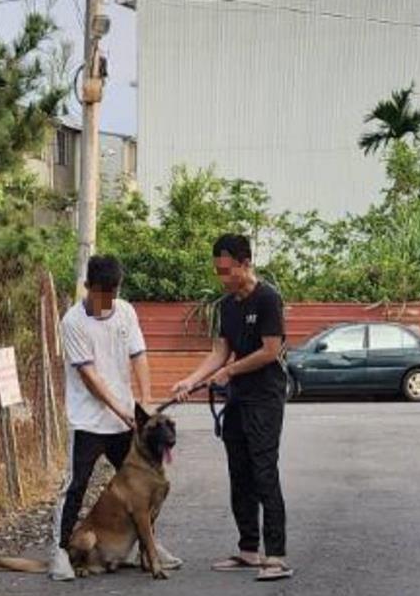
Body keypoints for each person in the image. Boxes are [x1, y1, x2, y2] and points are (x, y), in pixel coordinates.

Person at [49, 254, 182, 581]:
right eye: (102, 292)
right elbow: (90, 378)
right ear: (88, 287)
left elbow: (139, 356)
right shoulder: (73, 322)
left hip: (124, 422)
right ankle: (61, 552)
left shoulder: (125, 312)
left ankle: (145, 548)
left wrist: (146, 399)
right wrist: (121, 410)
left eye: (113, 291)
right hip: (88, 422)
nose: (108, 299)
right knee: (76, 486)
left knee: (146, 487)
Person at [172, 234, 293, 582]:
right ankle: (248, 551)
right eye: (217, 271)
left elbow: (271, 350)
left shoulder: (268, 298)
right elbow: (219, 352)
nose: (223, 277)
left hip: (265, 397)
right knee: (239, 472)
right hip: (238, 398)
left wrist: (229, 372)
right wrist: (190, 381)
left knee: (264, 471)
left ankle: (276, 555)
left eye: (227, 270)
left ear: (245, 263)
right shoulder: (226, 306)